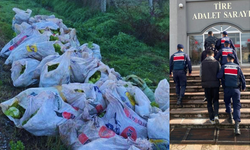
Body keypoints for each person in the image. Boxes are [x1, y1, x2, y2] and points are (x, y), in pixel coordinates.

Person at [217, 54, 246, 135]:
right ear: (233, 59)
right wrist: (244, 87)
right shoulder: (237, 67)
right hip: (236, 89)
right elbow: (242, 78)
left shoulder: (224, 66)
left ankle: (229, 116)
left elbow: (219, 76)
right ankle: (236, 127)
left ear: (227, 59)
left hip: (227, 89)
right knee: (237, 106)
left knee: (227, 102)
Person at [200, 50, 221, 124]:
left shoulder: (202, 63)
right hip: (215, 84)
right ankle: (216, 115)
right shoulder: (217, 63)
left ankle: (211, 119)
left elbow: (201, 74)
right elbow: (219, 73)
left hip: (206, 85)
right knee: (215, 100)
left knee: (209, 101)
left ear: (206, 55)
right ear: (213, 55)